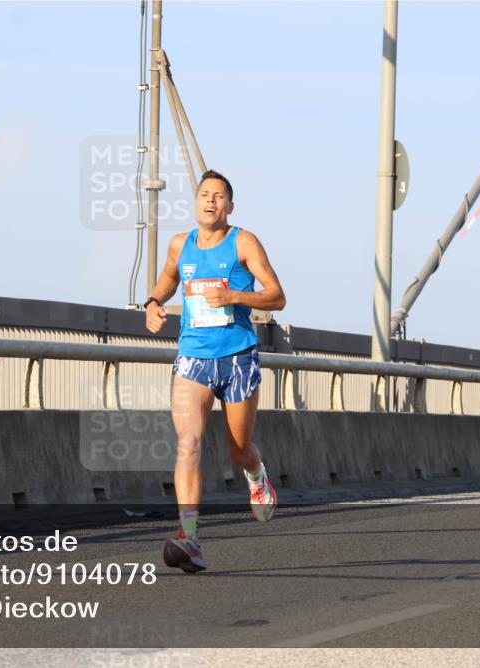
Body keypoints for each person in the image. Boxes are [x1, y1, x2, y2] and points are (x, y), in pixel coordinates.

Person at [144, 169, 287, 573]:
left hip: (238, 356)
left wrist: (235, 296)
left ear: (230, 206)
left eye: (219, 196)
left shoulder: (243, 242)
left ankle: (256, 474)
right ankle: (190, 536)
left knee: (237, 449)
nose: (210, 201)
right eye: (204, 194)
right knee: (188, 443)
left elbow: (277, 296)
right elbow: (169, 278)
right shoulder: (180, 244)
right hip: (193, 357)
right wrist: (153, 301)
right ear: (196, 202)